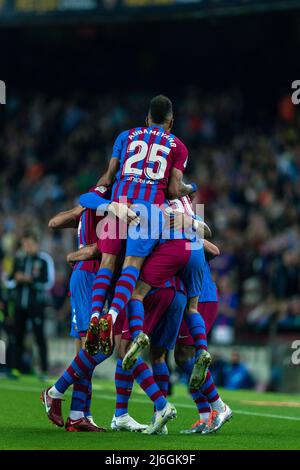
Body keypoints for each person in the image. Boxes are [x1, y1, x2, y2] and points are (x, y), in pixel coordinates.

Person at [7, 229, 55, 377]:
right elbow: (8, 281)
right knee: (17, 337)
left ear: (36, 244)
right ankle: (14, 368)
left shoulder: (43, 260)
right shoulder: (19, 259)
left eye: (29, 244)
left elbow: (49, 283)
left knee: (39, 337)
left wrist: (31, 280)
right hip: (19, 305)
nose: (26, 247)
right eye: (24, 244)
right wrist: (15, 279)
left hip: (36, 306)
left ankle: (44, 369)